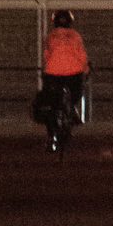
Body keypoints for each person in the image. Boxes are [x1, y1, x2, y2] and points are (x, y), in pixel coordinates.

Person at [36, 11, 90, 149]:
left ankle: (51, 136)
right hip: (73, 73)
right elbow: (81, 56)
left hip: (53, 74)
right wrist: (86, 70)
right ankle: (72, 109)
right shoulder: (75, 36)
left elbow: (46, 56)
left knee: (51, 105)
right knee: (75, 94)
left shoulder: (49, 37)